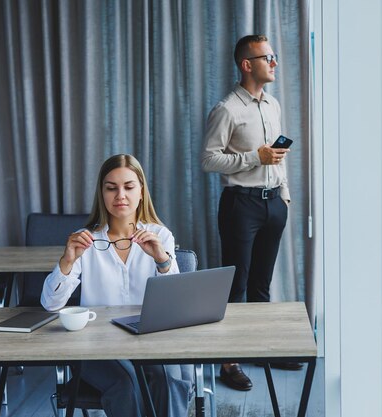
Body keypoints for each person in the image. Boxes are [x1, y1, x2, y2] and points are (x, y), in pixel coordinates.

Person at [41, 154, 193, 417]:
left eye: (128, 187)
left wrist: (162, 261)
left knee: (168, 380)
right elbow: (50, 304)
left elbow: (176, 305)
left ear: (141, 192)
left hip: (150, 340)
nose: (120, 195)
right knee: (125, 383)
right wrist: (67, 260)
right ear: (102, 193)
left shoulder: (161, 236)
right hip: (97, 344)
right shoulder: (85, 240)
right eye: (111, 188)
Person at [201, 34, 300, 392]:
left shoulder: (271, 105)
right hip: (240, 205)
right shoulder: (227, 109)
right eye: (267, 57)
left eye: (273, 56)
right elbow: (209, 159)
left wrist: (284, 198)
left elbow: (277, 159)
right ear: (247, 64)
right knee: (237, 285)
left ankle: (262, 350)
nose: (274, 62)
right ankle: (229, 362)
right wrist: (252, 158)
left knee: (262, 284)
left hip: (273, 203)